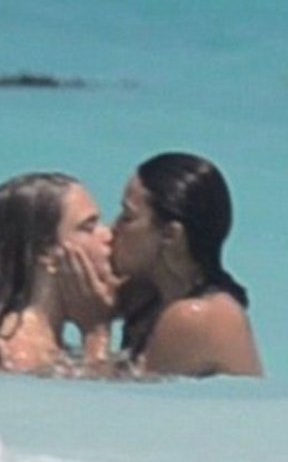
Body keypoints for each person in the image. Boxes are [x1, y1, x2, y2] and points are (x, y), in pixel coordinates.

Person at [112, 152, 263, 377]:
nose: (112, 229)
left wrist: (95, 333)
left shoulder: (195, 317)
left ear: (170, 235)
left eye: (127, 217)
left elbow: (115, 397)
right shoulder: (152, 301)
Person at [0, 173, 115, 373]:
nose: (108, 235)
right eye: (88, 227)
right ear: (45, 251)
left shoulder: (38, 346)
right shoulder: (19, 356)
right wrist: (97, 335)